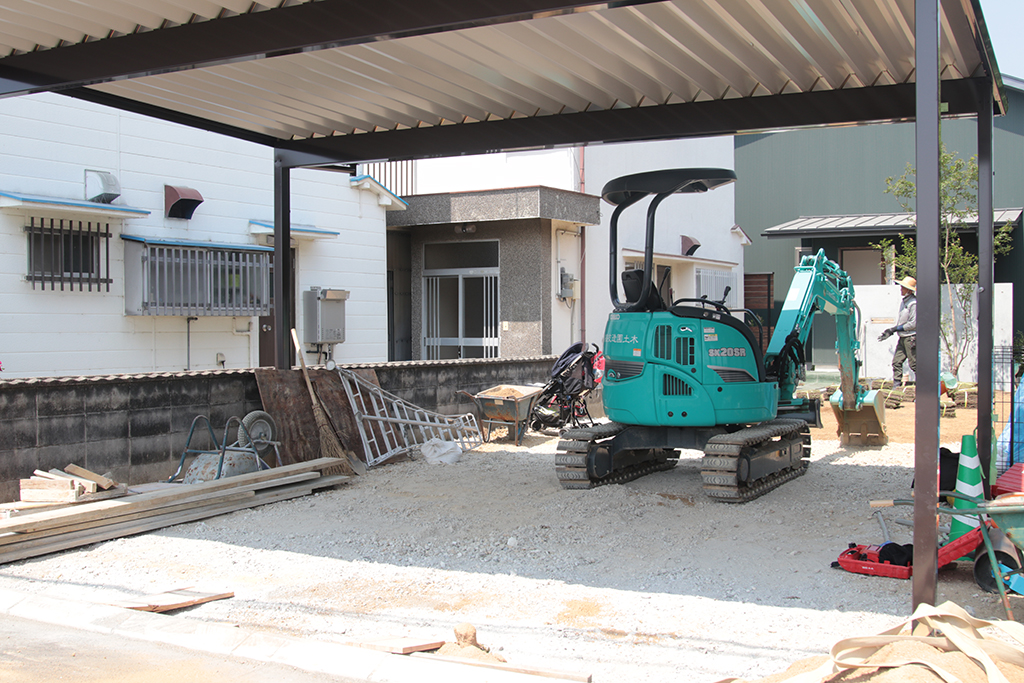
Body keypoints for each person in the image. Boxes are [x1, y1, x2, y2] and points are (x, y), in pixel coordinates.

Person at [878, 276, 917, 386]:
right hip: (903, 336)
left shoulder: (913, 303)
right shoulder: (904, 301)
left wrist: (895, 329)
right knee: (896, 362)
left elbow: (913, 324)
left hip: (911, 337)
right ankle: (897, 386)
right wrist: (891, 331)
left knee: (914, 364)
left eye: (903, 287)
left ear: (909, 290)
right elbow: (903, 322)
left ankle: (923, 388)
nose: (901, 289)